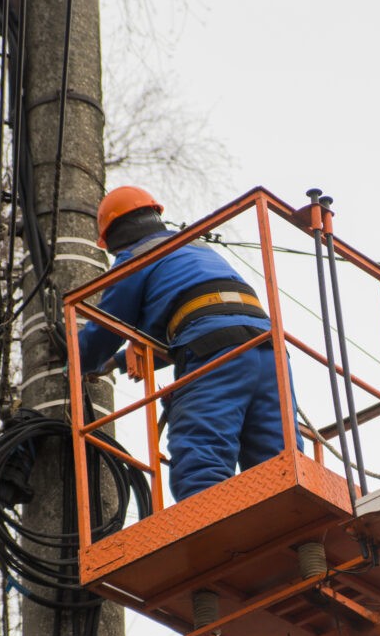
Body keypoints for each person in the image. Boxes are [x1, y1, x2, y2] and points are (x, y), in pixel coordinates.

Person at [77, 186, 300, 501]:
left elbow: (105, 329)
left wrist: (74, 358)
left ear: (113, 237)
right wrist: (113, 364)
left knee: (202, 464)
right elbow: (196, 320)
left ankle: (214, 543)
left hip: (214, 353)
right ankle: (301, 542)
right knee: (278, 467)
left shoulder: (135, 258)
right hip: (269, 350)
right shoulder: (197, 250)